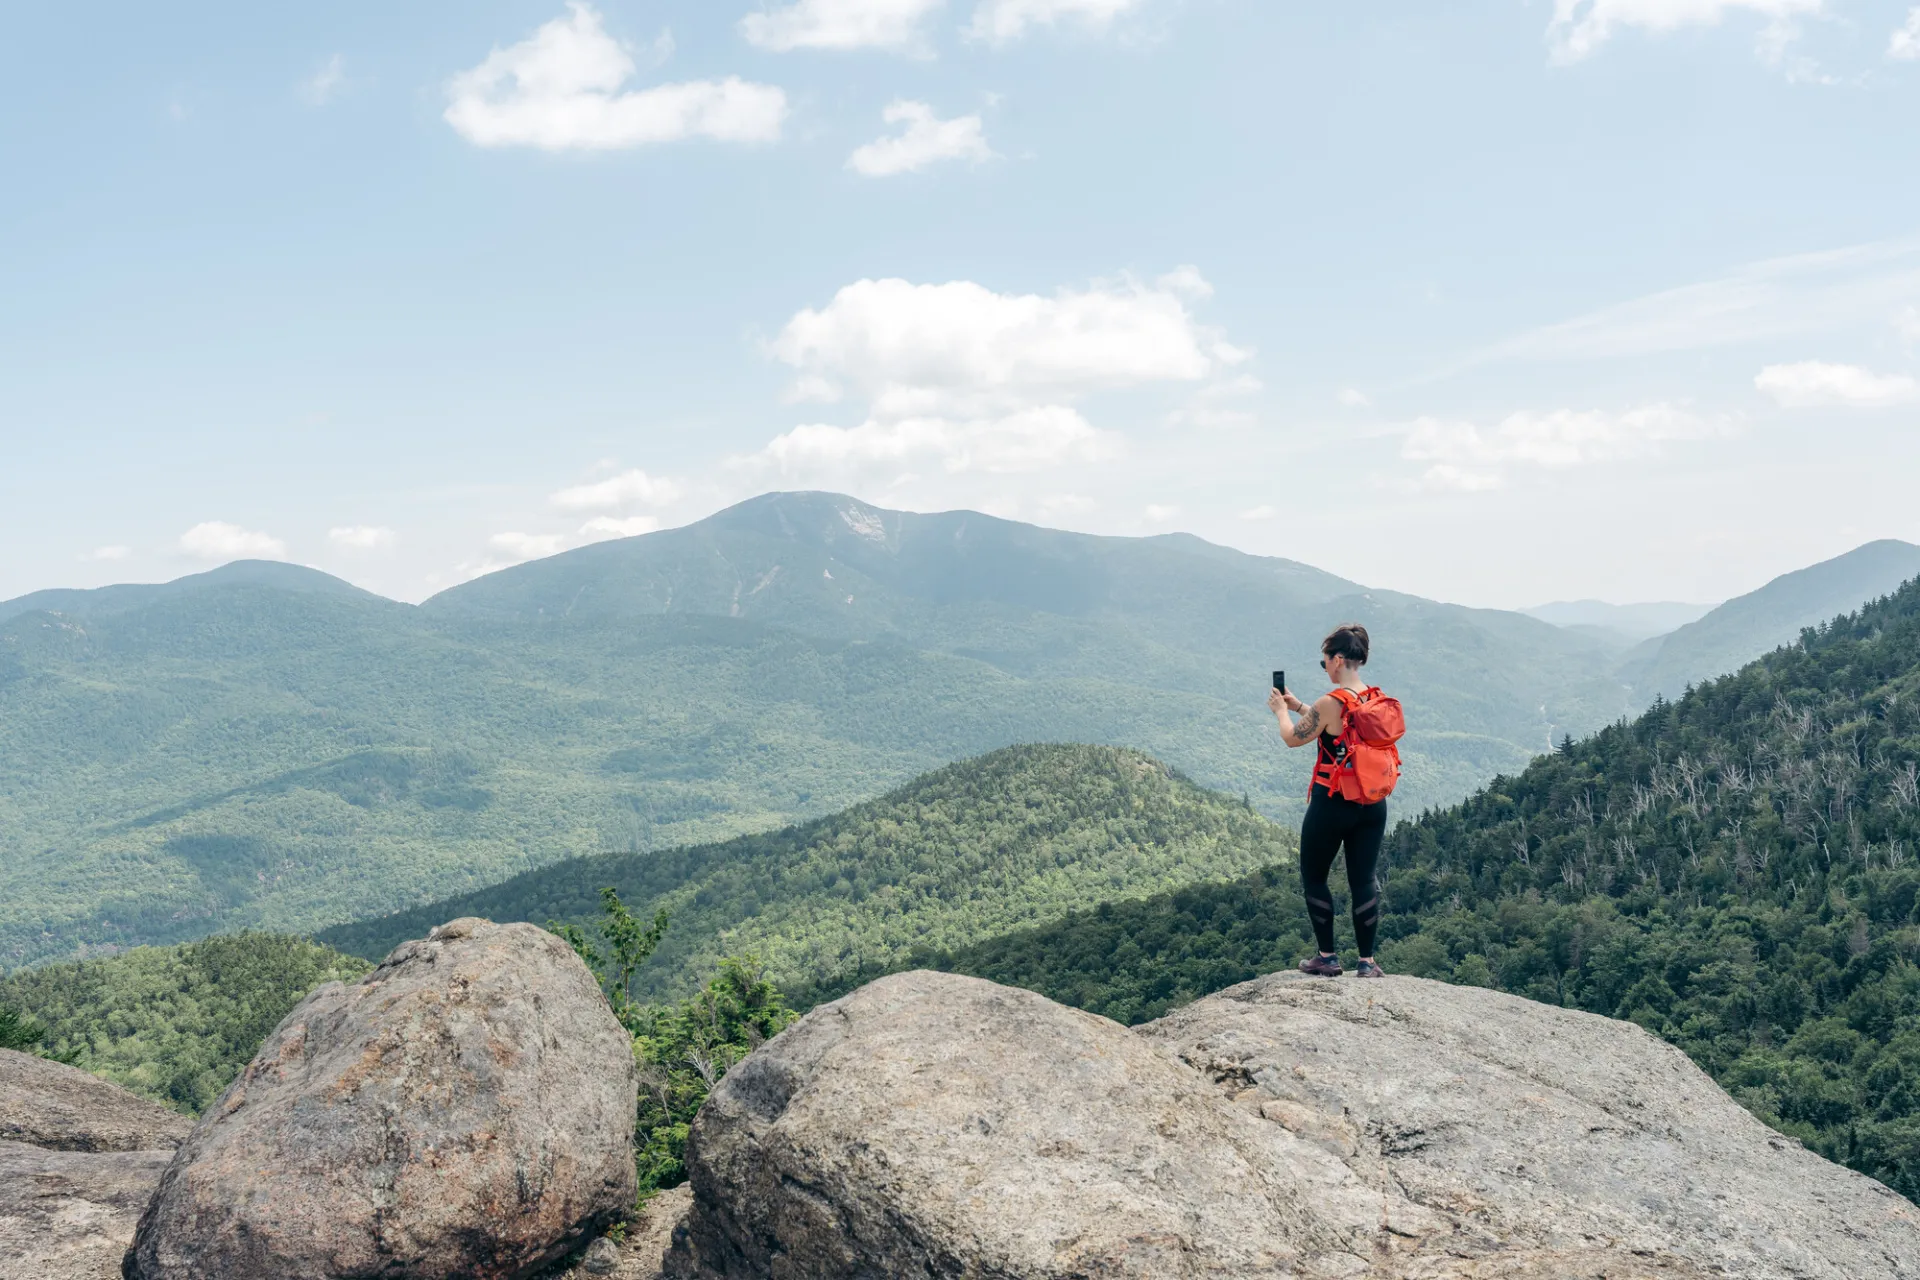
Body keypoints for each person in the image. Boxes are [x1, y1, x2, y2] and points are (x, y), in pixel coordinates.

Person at [1266, 624, 1388, 978]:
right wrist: (1299, 704)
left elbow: (1292, 738)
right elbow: (1339, 728)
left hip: (1333, 801)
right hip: (1372, 802)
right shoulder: (1374, 699)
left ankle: (1327, 957)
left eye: (1325, 663)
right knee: (1363, 879)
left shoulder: (1330, 702)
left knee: (1315, 875)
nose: (1326, 668)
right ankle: (1367, 962)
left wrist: (1280, 711)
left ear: (1337, 660)